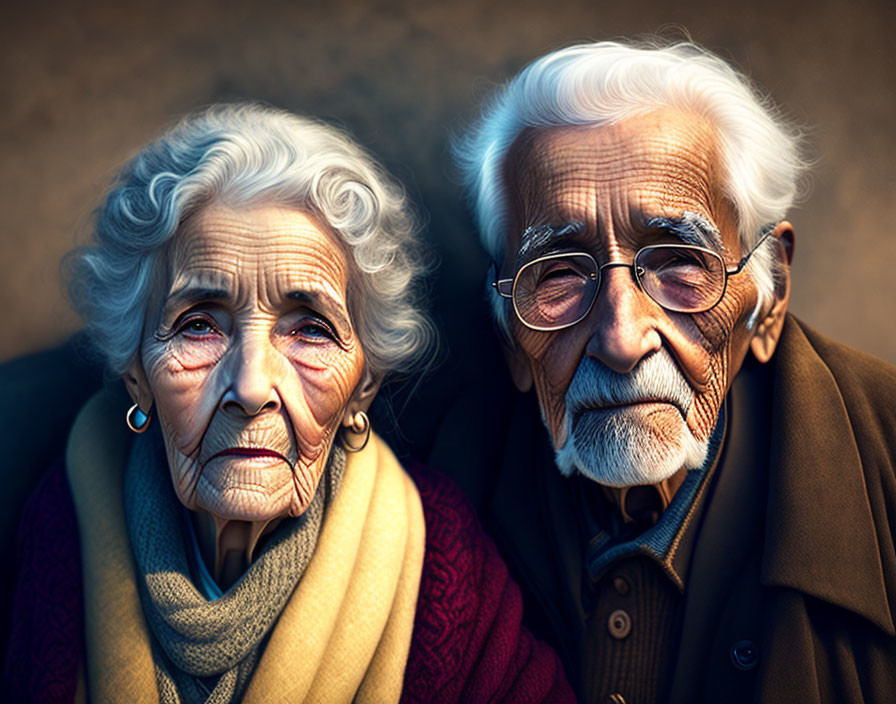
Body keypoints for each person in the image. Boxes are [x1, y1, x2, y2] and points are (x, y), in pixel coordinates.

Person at [4, 104, 574, 703]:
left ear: (363, 388)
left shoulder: (446, 563)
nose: (251, 387)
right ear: (137, 374)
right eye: (199, 325)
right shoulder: (58, 527)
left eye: (309, 330)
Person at [443, 40, 896, 703]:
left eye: (679, 261)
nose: (622, 339)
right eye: (561, 273)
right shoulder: (427, 509)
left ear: (768, 301)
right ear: (510, 334)